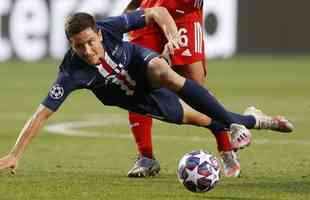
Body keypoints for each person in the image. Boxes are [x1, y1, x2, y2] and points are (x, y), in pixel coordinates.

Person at [0, 8, 293, 175]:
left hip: (145, 66)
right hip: (139, 99)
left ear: (99, 33)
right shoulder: (70, 72)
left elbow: (157, 11)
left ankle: (233, 126)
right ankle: (256, 119)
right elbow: (42, 114)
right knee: (206, 119)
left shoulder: (110, 26)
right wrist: (15, 154)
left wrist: (171, 38)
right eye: (79, 46)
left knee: (162, 71)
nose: (88, 50)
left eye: (91, 41)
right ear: (70, 44)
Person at [124, 0, 239, 178]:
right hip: (150, 15)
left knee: (196, 90)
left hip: (183, 17)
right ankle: (146, 157)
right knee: (137, 85)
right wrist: (130, 12)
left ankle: (225, 147)